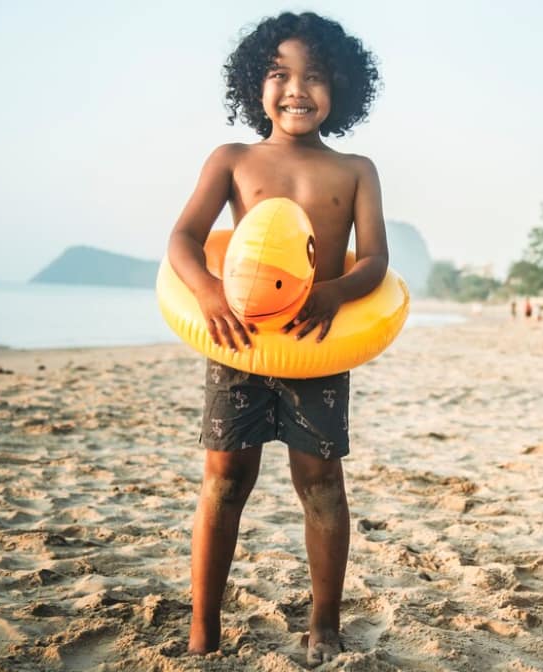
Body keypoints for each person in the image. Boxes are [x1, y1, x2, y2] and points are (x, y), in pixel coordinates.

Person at [165, 12, 385, 663]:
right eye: (280, 74)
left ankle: (323, 623)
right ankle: (203, 626)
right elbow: (183, 239)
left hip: (315, 345)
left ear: (338, 88)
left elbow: (372, 259)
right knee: (225, 481)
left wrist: (332, 293)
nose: (297, 89)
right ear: (254, 85)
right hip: (238, 343)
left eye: (315, 77)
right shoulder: (232, 160)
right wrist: (206, 293)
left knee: (321, 483)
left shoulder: (354, 170)